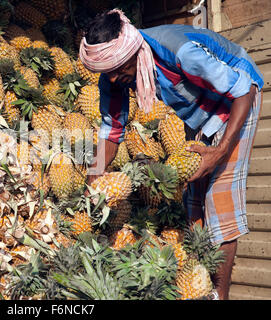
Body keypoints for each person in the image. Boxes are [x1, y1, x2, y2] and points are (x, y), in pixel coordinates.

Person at [80, 9, 264, 300]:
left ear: (130, 50)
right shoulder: (114, 76)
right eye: (107, 72)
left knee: (219, 201)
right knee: (192, 202)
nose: (114, 79)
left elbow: (243, 89)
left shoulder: (180, 52)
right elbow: (112, 132)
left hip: (236, 101)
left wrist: (220, 150)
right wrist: (92, 181)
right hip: (202, 116)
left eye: (117, 69)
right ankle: (199, 286)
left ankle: (220, 296)